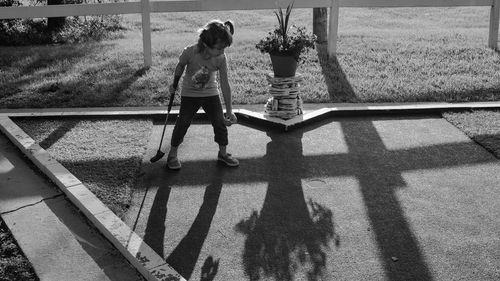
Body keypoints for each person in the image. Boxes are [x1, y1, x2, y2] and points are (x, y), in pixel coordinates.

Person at [166, 19, 239, 170]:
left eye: (224, 48)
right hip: (190, 94)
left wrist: (229, 111)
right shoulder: (190, 52)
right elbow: (180, 66)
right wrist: (174, 83)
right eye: (219, 48)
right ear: (206, 44)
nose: (222, 52)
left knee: (219, 122)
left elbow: (225, 84)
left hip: (211, 92)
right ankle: (172, 154)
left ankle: (223, 153)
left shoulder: (220, 58)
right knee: (183, 121)